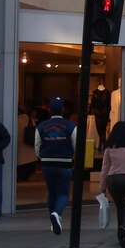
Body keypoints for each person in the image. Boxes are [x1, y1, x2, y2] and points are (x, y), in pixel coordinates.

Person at [35, 97, 76, 235]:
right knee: (63, 193)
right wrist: (71, 155)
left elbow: (37, 145)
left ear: (49, 109)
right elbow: (76, 144)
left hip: (47, 163)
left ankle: (53, 220)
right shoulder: (70, 126)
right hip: (64, 162)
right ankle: (57, 214)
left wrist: (42, 157)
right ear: (63, 109)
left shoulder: (41, 126)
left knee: (51, 192)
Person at [101, 121, 125, 248]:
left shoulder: (109, 147)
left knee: (119, 207)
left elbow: (105, 168)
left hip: (113, 179)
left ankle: (120, 234)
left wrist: (102, 187)